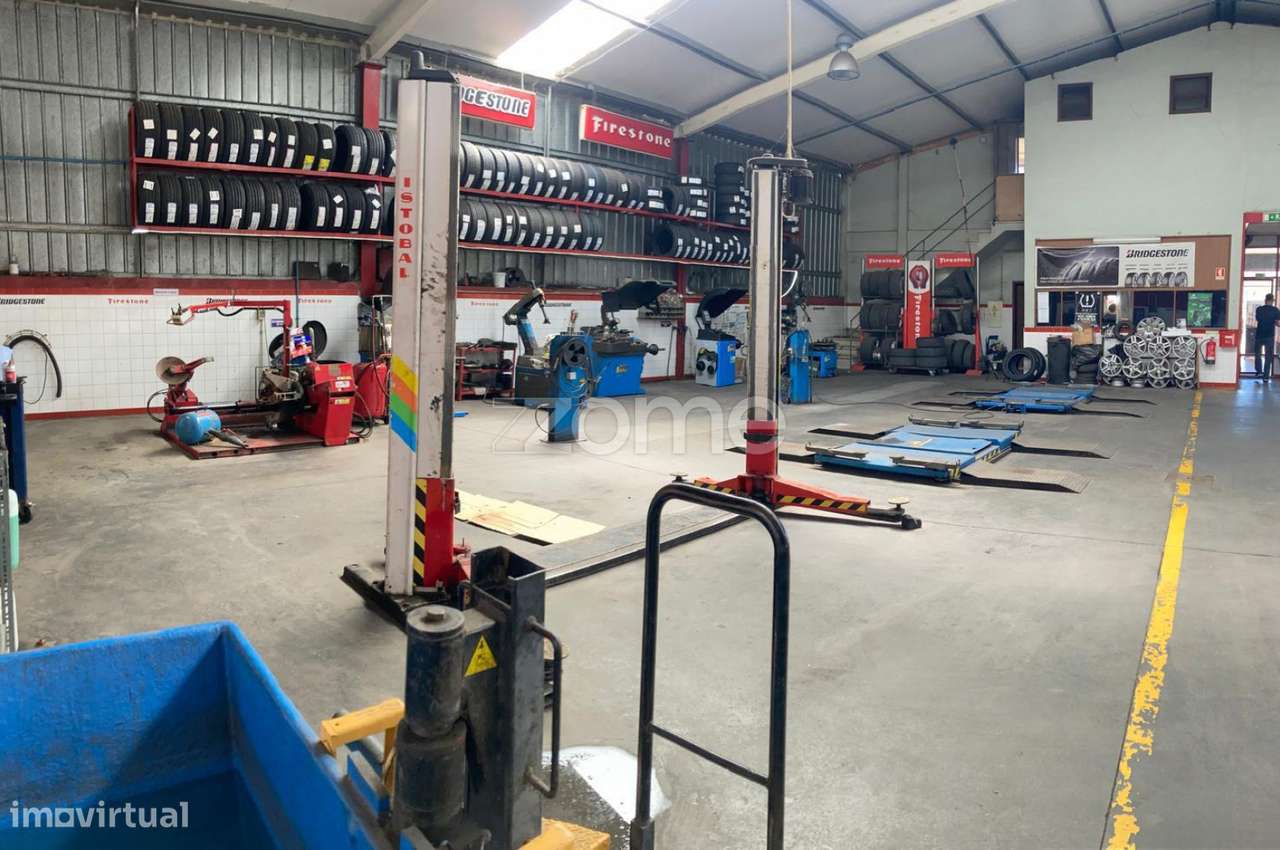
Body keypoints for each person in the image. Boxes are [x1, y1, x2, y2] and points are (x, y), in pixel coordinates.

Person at [1256, 294, 1280, 380]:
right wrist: (1274, 323)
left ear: (1265, 300)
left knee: (1257, 354)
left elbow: (1258, 319)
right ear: (1272, 301)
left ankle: (1259, 372)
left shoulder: (1259, 309)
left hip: (1259, 335)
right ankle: (1265, 377)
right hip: (1269, 336)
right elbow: (1277, 323)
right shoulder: (1275, 310)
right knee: (1268, 356)